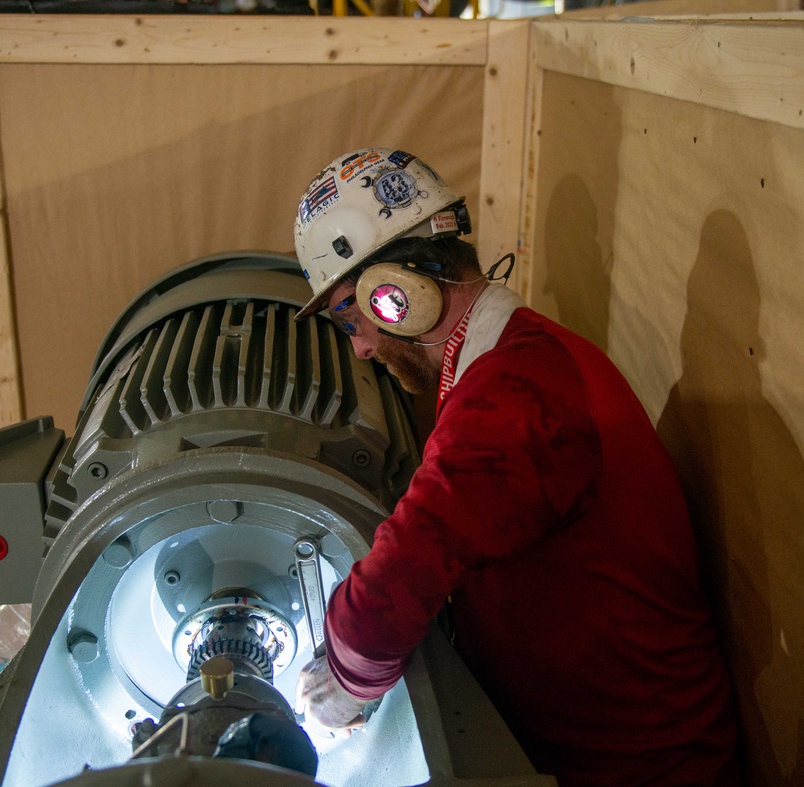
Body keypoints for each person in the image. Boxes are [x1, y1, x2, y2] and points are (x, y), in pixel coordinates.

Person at [292, 148, 740, 785]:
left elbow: (400, 577)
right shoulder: (508, 361)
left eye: (348, 316)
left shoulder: (517, 395)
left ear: (392, 294)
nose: (360, 346)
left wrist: (337, 683)